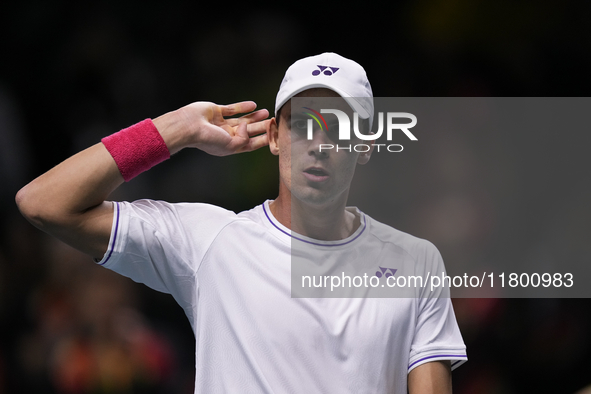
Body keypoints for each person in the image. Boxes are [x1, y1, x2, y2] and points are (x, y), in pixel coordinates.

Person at [16, 52, 467, 393]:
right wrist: (176, 130)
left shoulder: (415, 262)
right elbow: (43, 203)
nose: (319, 143)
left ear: (365, 147)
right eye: (303, 124)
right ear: (274, 136)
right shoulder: (208, 241)